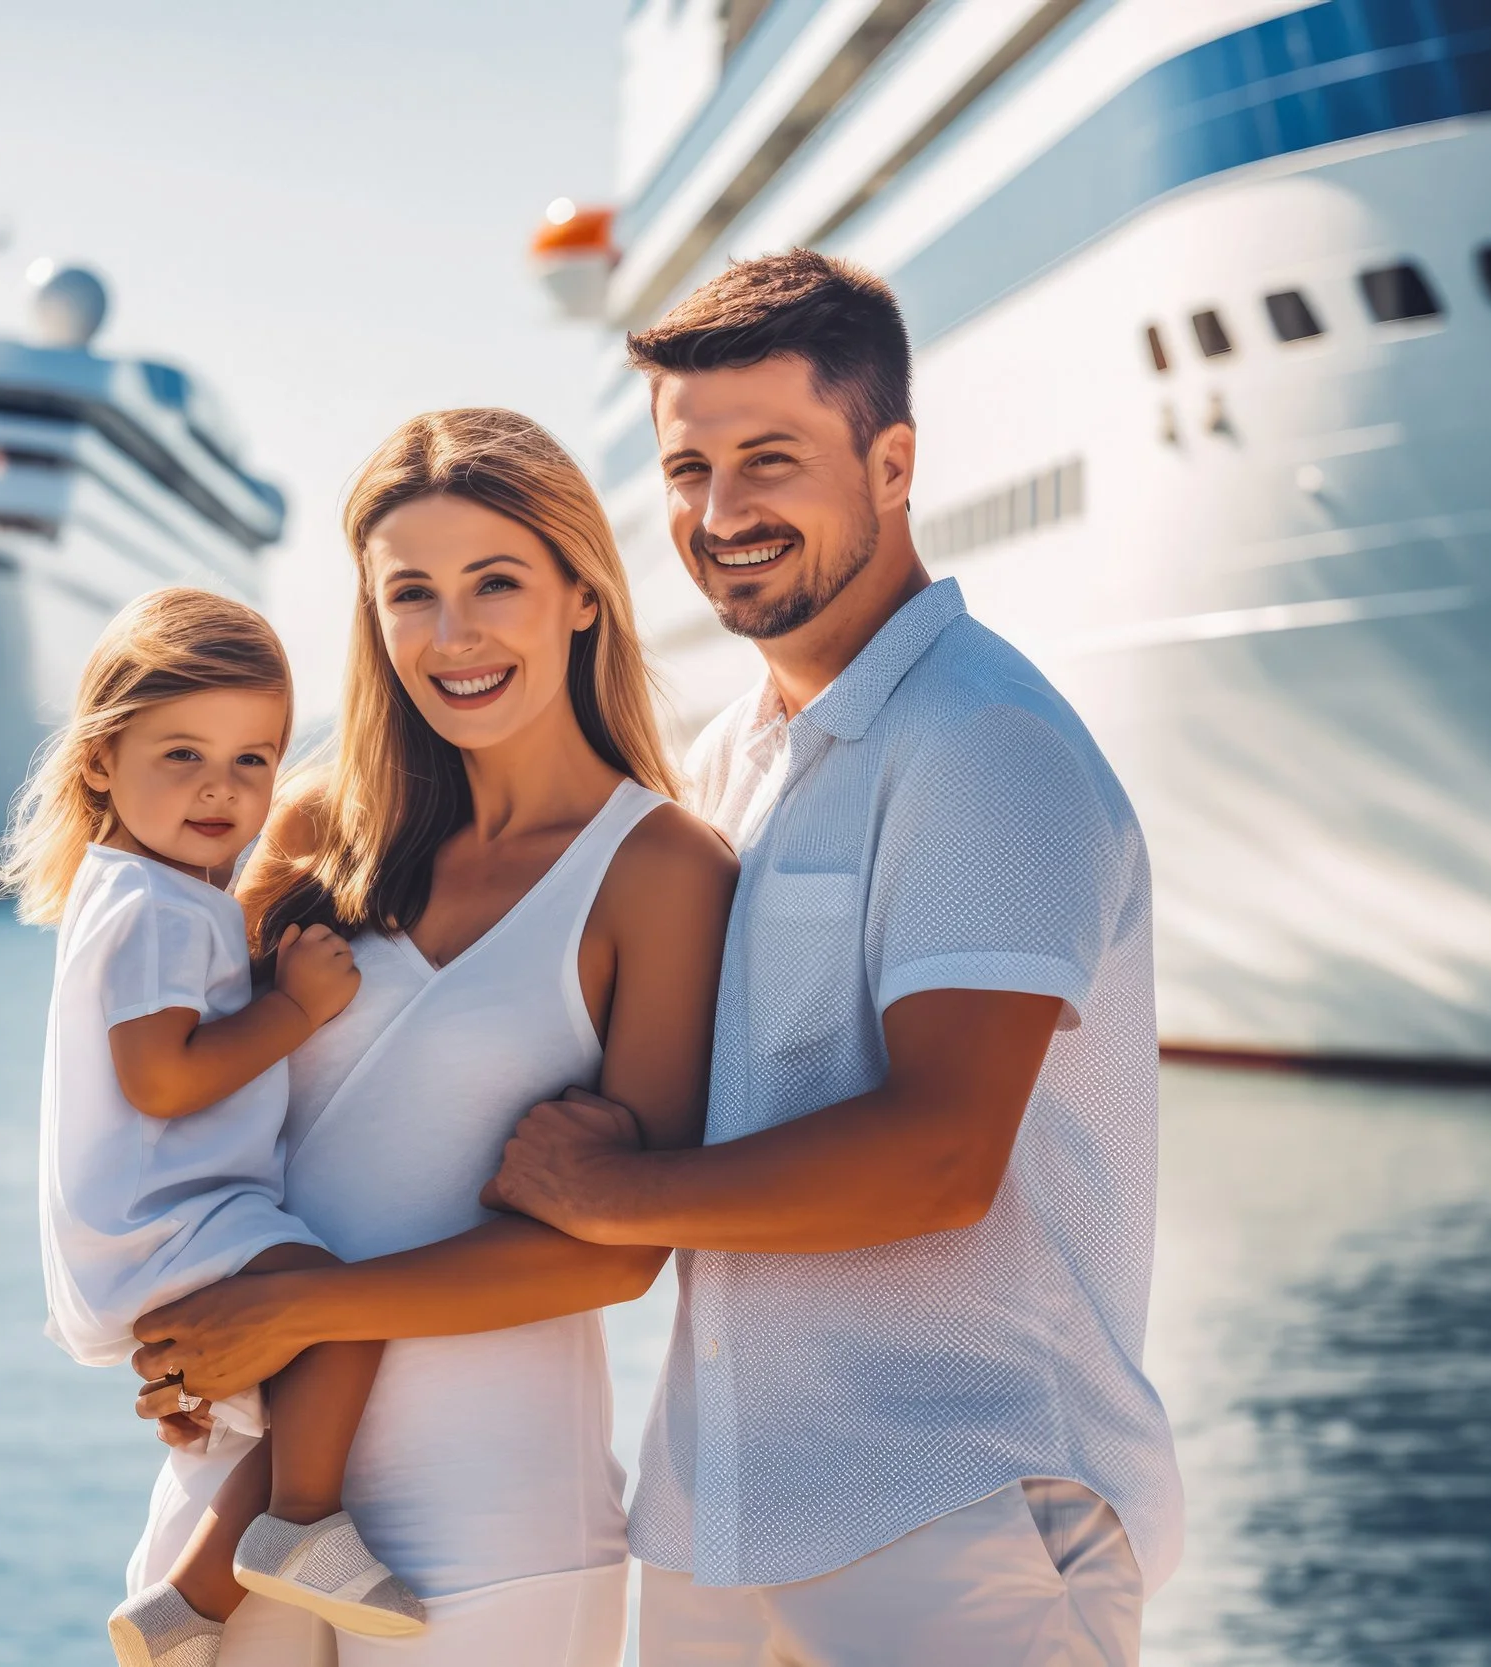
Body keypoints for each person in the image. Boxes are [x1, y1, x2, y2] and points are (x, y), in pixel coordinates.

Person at [486, 250, 1183, 1666]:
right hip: (718, 1520)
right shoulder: (736, 759)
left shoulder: (982, 744)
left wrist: (615, 1193)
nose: (721, 513)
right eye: (688, 470)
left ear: (892, 462)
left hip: (956, 1517)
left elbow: (940, 1154)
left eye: (769, 459)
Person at [124, 408, 737, 1664]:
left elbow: (619, 1251)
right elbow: (186, 1120)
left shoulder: (660, 869)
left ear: (581, 594)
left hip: (490, 1512)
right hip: (234, 1501)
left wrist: (299, 1313)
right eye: (411, 593)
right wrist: (171, 1324)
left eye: (494, 583)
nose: (453, 635)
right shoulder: (301, 839)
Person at [0, 588, 427, 1667]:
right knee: (339, 1311)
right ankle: (302, 1530)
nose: (220, 790)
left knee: (291, 1395)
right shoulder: (156, 907)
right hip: (169, 1221)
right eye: (182, 754)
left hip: (151, 1226)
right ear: (100, 758)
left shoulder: (144, 890)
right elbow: (160, 1079)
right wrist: (294, 1009)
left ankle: (186, 1601)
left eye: (252, 760)